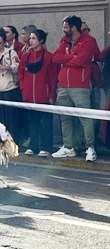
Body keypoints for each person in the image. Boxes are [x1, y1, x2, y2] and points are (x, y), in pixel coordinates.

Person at [52, 15, 99, 162]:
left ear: (74, 28)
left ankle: (90, 148)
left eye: (65, 27)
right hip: (63, 86)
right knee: (65, 118)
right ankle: (68, 147)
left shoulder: (89, 41)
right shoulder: (64, 40)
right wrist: (71, 56)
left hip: (80, 87)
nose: (63, 29)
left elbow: (81, 61)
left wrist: (68, 59)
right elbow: (55, 58)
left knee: (85, 118)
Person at [18, 29, 57, 157]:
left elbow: (52, 77)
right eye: (30, 38)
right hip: (29, 95)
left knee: (45, 122)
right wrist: (24, 88)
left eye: (34, 38)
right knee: (32, 121)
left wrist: (52, 94)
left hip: (44, 95)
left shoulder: (49, 57)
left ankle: (45, 147)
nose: (31, 41)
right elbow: (21, 74)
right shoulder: (25, 57)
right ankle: (33, 146)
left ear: (41, 41)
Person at [0, 29, 23, 142]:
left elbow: (17, 66)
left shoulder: (11, 53)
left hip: (10, 87)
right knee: (0, 117)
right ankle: (2, 140)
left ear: (4, 43)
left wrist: (6, 67)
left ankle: (14, 140)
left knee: (12, 117)